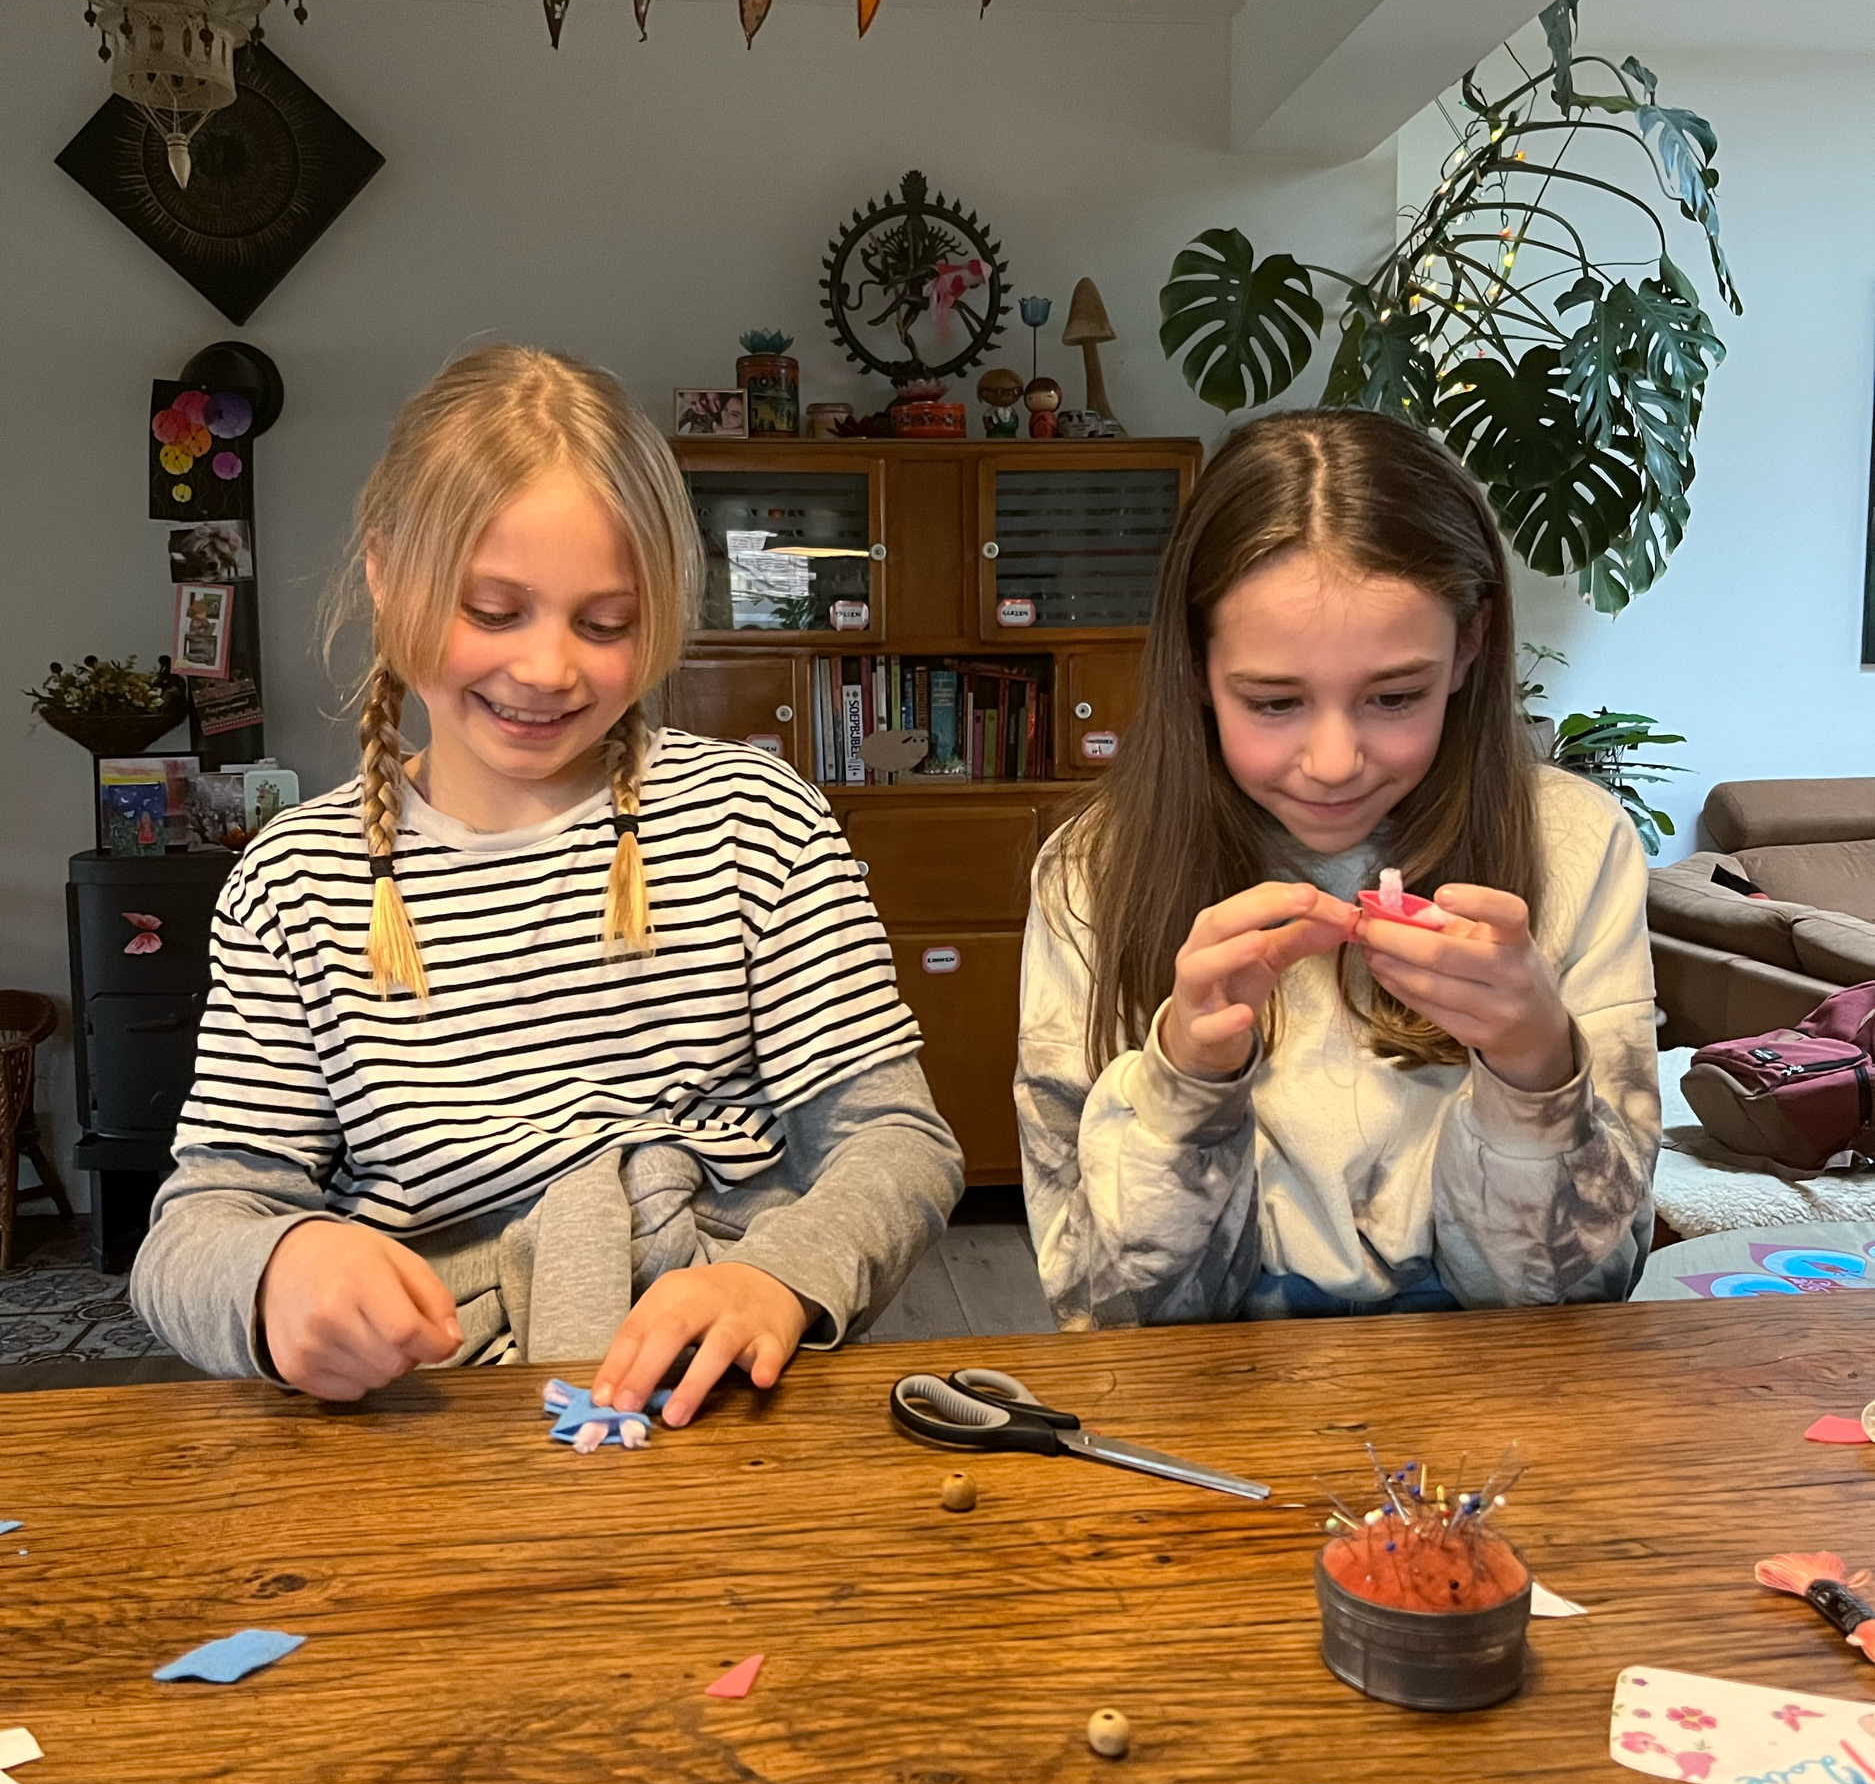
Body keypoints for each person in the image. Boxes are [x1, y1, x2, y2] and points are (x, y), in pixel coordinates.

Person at [133, 345, 962, 1413]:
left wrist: (775, 1277)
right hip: (427, 1419)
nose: (547, 668)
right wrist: (276, 1272)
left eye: (605, 623)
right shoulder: (296, 882)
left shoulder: (757, 820)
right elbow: (197, 1225)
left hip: (722, 1401)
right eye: (493, 610)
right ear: (388, 575)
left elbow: (894, 1143)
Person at [1017, 407, 1659, 1326]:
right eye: (1273, 702)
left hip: (1497, 1404)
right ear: (1196, 667)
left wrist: (1532, 1065)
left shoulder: (1574, 846)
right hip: (1205, 1408)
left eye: (1393, 696)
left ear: (1467, 648)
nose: (1331, 761)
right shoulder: (1091, 873)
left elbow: (1569, 1300)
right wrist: (1186, 1080)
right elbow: (1105, 1310)